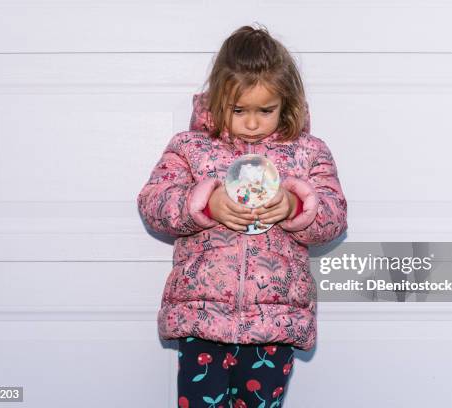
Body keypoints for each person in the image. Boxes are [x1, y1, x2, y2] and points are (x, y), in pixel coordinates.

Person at [137, 24, 348, 408]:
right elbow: (154, 203)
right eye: (239, 110)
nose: (252, 122)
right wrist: (204, 203)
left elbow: (334, 217)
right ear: (219, 100)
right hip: (202, 317)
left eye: (265, 110)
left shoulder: (307, 153)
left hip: (275, 321)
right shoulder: (191, 148)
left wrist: (294, 207)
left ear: (287, 103)